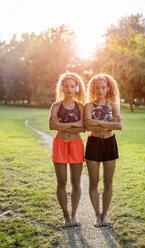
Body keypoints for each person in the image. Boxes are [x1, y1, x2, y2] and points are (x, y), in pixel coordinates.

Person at [84, 73, 122, 227]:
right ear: (93, 89)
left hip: (109, 143)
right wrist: (108, 123)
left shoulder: (113, 106)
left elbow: (119, 126)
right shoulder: (88, 106)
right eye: (97, 87)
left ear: (107, 88)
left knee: (108, 181)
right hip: (93, 143)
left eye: (103, 87)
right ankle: (96, 216)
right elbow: (87, 126)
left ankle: (104, 215)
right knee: (94, 181)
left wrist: (97, 122)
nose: (100, 90)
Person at [49, 72, 86, 227]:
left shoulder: (81, 107)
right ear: (61, 87)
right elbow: (52, 126)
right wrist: (73, 125)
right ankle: (65, 215)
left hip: (76, 145)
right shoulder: (56, 106)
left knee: (76, 182)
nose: (69, 88)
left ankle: (74, 214)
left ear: (76, 88)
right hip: (60, 144)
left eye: (72, 86)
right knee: (62, 181)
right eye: (66, 86)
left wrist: (63, 125)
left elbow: (84, 127)